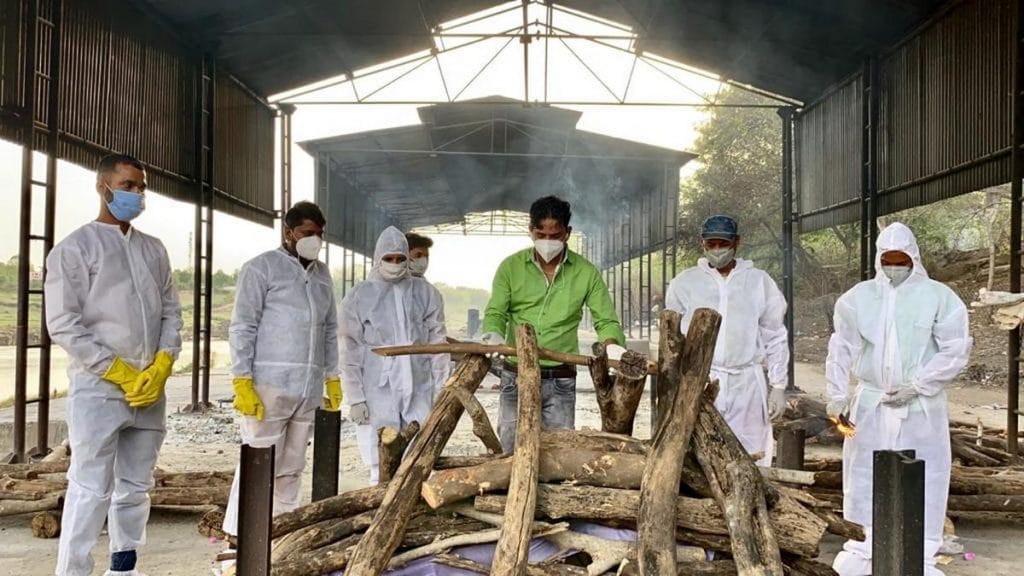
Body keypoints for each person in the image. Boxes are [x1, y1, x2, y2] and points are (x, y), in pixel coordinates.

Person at [46, 154, 183, 576]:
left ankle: (123, 566)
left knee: (137, 486)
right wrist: (117, 370)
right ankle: (73, 571)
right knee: (89, 487)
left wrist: (162, 363)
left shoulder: (153, 249)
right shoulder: (75, 249)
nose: (137, 194)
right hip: (100, 389)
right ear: (103, 187)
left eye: (141, 187)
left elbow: (171, 313)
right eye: (128, 186)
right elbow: (63, 323)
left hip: (148, 390)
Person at [826, 222, 971, 576]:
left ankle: (920, 552)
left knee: (925, 474)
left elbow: (956, 348)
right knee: (861, 470)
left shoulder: (940, 297)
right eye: (887, 258)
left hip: (920, 406)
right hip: (870, 404)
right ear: (878, 259)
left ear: (913, 257)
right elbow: (841, 348)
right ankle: (862, 544)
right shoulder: (858, 298)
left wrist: (920, 383)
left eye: (900, 258)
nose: (894, 265)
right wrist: (835, 395)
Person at [222, 201, 341, 540]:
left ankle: (281, 534)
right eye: (307, 234)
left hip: (306, 386)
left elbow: (329, 328)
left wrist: (331, 375)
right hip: (268, 385)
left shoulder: (322, 275)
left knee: (292, 467)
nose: (314, 241)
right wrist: (242, 379)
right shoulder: (261, 269)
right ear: (288, 233)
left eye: (319, 234)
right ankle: (239, 538)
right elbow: (243, 326)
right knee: (258, 464)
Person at [482, 196, 626, 452]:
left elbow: (605, 320)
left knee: (558, 452)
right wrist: (492, 334)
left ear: (567, 233)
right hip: (515, 374)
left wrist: (613, 345)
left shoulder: (586, 272)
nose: (547, 242)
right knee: (510, 450)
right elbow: (496, 312)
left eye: (555, 235)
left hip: (561, 377)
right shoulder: (510, 268)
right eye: (541, 234)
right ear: (530, 231)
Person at [664, 215, 788, 467]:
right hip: (702, 380)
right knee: (700, 453)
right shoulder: (685, 283)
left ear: (737, 242)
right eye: (712, 244)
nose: (717, 250)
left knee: (751, 454)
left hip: (747, 383)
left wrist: (778, 385)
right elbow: (672, 338)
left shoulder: (758, 282)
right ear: (703, 244)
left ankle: (753, 505)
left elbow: (774, 334)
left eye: (723, 243)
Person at [339, 227, 448, 484]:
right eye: (389, 259)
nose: (395, 264)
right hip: (377, 387)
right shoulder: (359, 295)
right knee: (380, 456)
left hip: (419, 384)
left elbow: (437, 342)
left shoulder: (425, 293)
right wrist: (355, 397)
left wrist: (442, 388)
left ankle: (412, 514)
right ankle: (379, 509)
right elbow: (348, 348)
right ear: (378, 258)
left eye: (400, 259)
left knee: (419, 451)